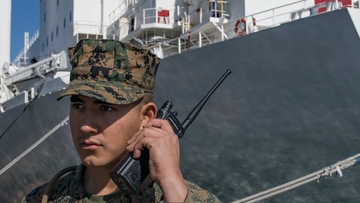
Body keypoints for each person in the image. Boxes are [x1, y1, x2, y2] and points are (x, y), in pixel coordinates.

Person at [23, 39, 220, 202]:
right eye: (79, 106)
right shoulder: (44, 198)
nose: (86, 125)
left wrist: (171, 184)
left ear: (146, 117)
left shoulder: (181, 197)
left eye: (106, 108)